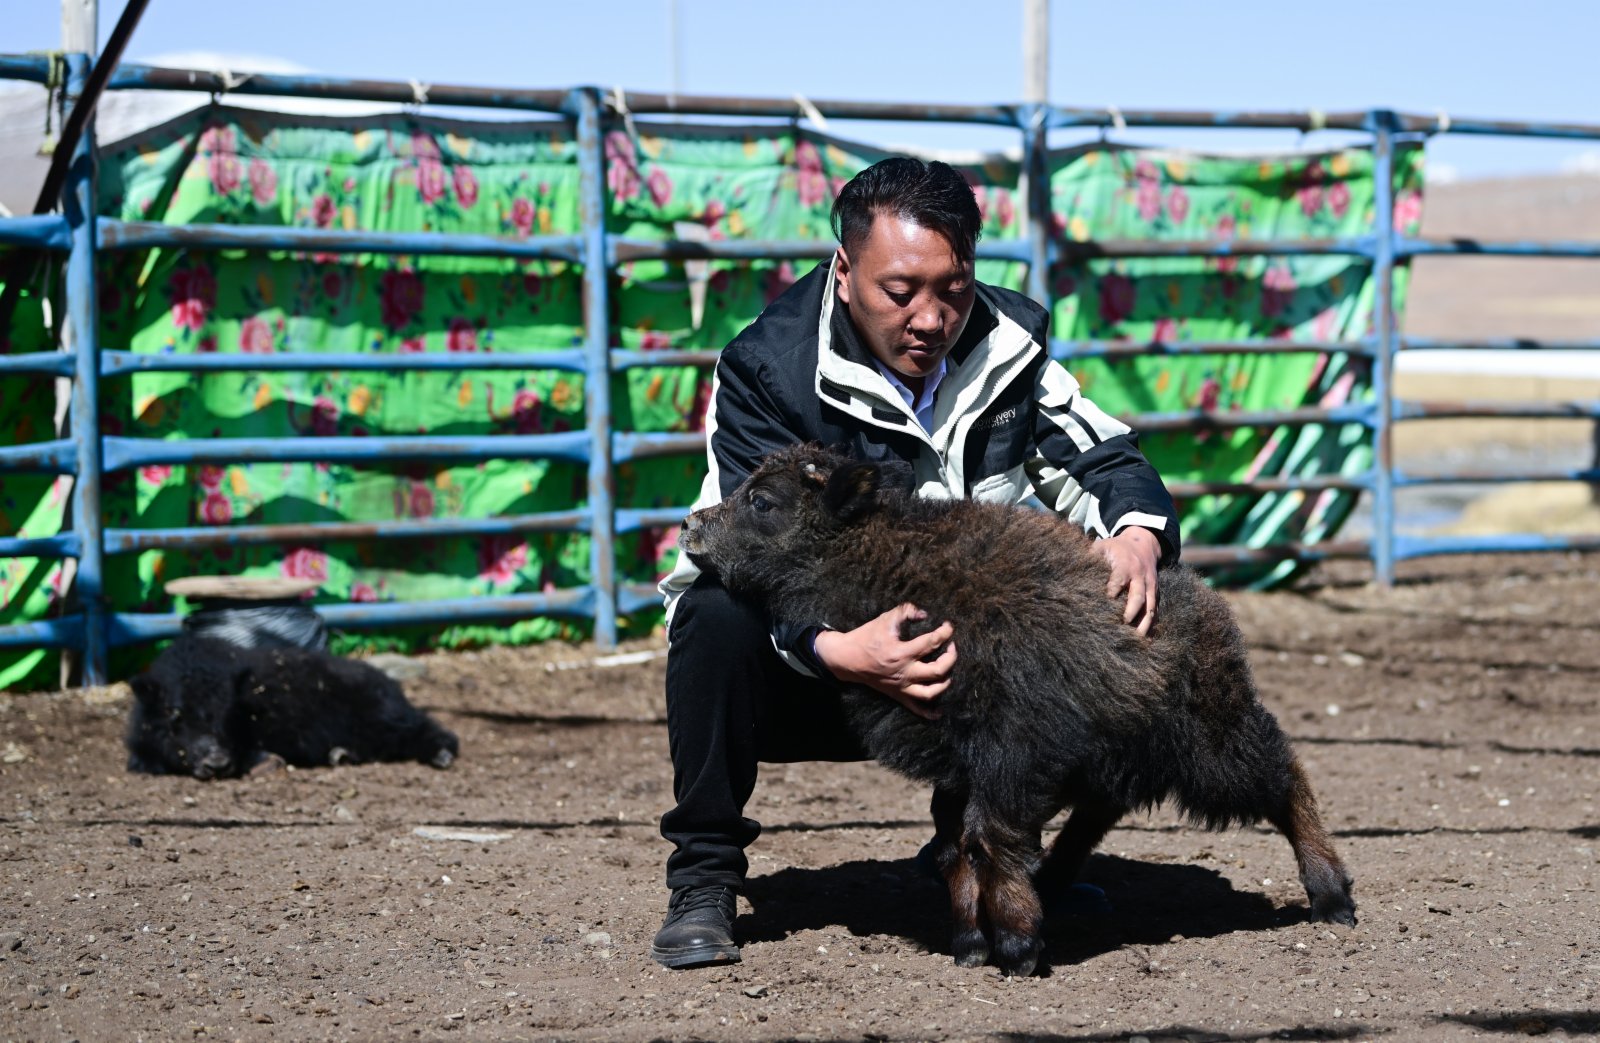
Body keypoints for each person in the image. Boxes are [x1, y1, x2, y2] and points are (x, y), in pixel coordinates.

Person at [650, 156, 1180, 969]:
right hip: (813, 673)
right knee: (712, 614)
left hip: (957, 675)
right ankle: (704, 878)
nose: (931, 318)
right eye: (901, 291)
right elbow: (748, 557)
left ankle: (981, 856)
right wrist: (840, 651)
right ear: (844, 270)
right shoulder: (767, 371)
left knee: (1090, 621)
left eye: (953, 288)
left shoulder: (1007, 348)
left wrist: (1137, 536)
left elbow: (1105, 459)